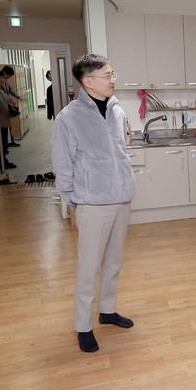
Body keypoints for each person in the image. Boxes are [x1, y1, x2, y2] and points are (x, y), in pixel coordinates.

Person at [52, 54, 136, 353]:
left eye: (113, 74)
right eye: (107, 75)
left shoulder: (116, 109)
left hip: (121, 197)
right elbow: (62, 164)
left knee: (114, 261)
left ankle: (108, 310)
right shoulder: (68, 117)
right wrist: (74, 200)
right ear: (88, 81)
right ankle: (83, 326)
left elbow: (120, 150)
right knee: (89, 267)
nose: (113, 79)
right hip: (92, 202)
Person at [0, 70, 17, 169]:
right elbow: (2, 105)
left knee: (4, 141)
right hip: (1, 121)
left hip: (4, 121)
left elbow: (7, 98)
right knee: (3, 142)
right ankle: (3, 162)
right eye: (0, 78)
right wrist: (11, 112)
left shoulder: (0, 89)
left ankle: (4, 160)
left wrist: (12, 100)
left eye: (3, 78)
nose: (2, 80)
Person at [1, 65, 21, 146]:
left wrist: (17, 95)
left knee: (9, 125)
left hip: (6, 104)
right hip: (3, 106)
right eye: (8, 76)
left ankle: (10, 141)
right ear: (4, 73)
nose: (9, 78)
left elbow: (10, 89)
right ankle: (8, 142)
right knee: (6, 126)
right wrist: (11, 100)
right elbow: (3, 94)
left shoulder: (5, 81)